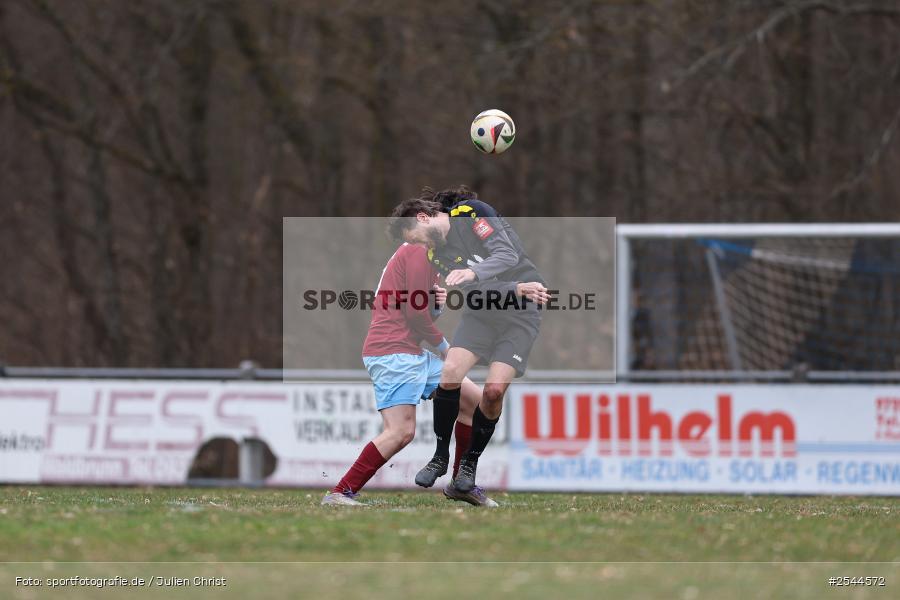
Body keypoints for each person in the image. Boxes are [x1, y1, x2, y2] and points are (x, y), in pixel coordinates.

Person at [387, 186, 549, 497]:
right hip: (484, 312)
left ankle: (469, 466)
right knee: (450, 375)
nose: (417, 245)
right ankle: (439, 457)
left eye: (414, 237)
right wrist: (514, 288)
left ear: (423, 218)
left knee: (492, 393)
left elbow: (507, 254)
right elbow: (475, 294)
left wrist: (474, 274)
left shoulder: (472, 212)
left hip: (521, 314)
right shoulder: (437, 254)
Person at [321, 239, 498, 507]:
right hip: (392, 353)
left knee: (473, 403)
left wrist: (436, 306)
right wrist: (445, 348)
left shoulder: (429, 258)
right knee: (401, 431)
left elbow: (418, 316)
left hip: (411, 351)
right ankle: (340, 492)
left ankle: (460, 484)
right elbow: (415, 315)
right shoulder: (417, 249)